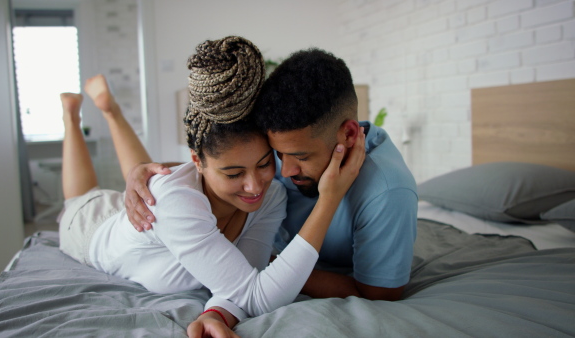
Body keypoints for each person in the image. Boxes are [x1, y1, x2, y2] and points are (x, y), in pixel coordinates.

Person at [57, 36, 365, 338]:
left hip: (151, 215)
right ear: (196, 161)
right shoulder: (174, 201)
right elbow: (258, 297)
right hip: (91, 228)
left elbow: (247, 286)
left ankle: (111, 111)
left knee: (154, 182)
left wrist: (214, 314)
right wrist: (329, 198)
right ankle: (72, 116)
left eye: (263, 164)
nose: (254, 185)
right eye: (233, 174)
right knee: (79, 199)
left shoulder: (271, 197)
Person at [125, 48, 417, 302]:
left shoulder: (387, 191)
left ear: (350, 134)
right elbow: (223, 163)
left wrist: (270, 264)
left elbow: (379, 294)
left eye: (301, 157)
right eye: (276, 156)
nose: (285, 171)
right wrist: (146, 173)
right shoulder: (285, 146)